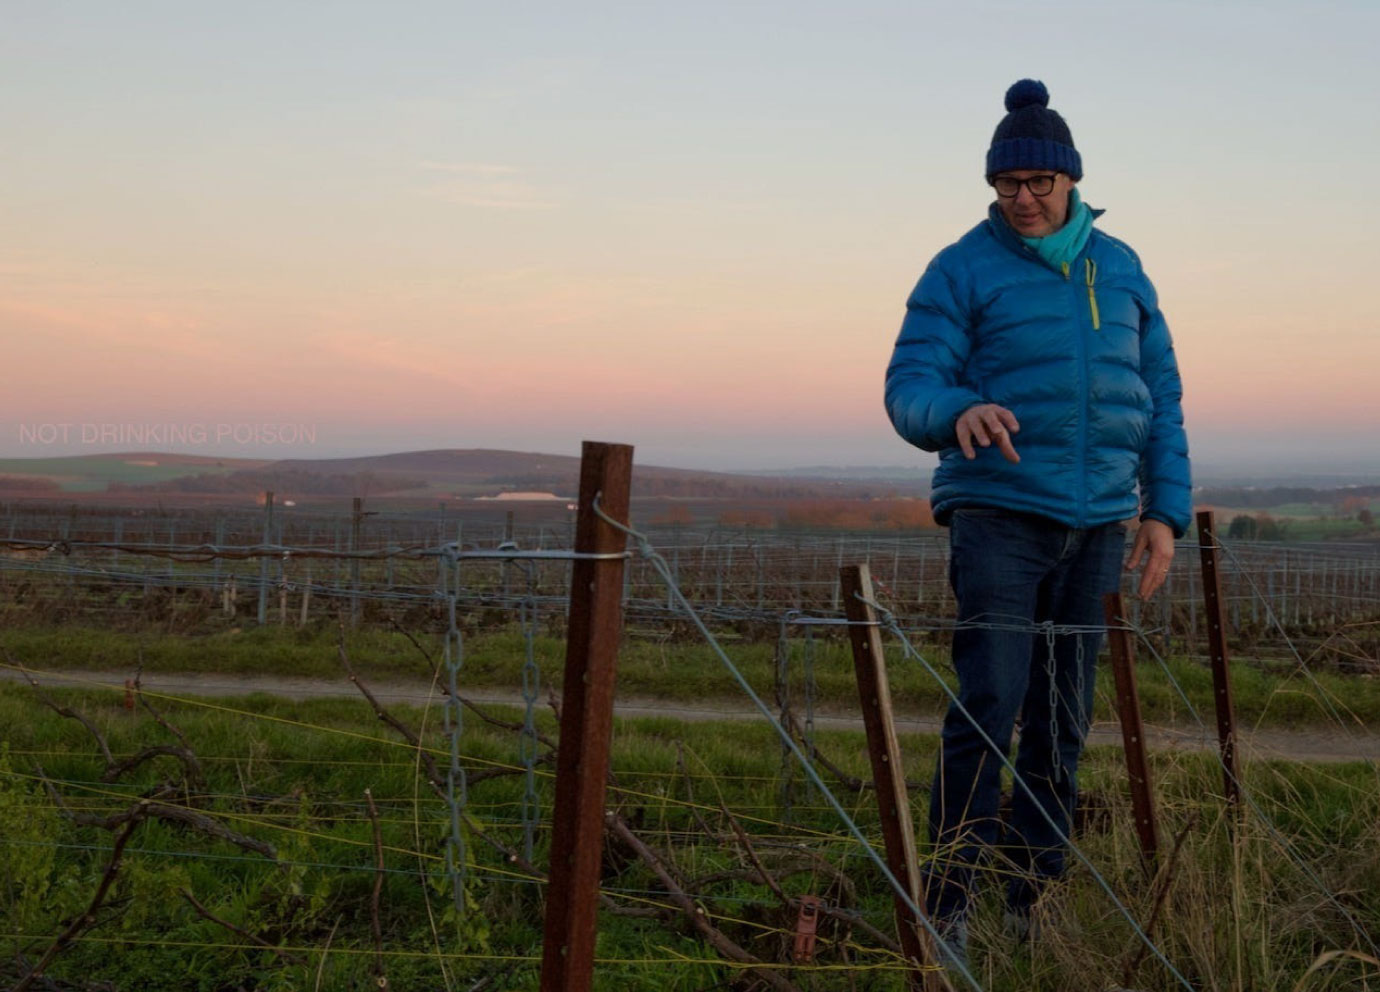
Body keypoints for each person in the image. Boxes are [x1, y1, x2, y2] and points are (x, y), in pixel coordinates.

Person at [883, 79, 1191, 965]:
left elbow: (1159, 398)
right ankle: (947, 901)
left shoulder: (1122, 267)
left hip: (1097, 525)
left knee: (1063, 715)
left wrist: (1163, 513)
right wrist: (956, 412)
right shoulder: (960, 267)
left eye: (1038, 184)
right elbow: (909, 384)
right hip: (1001, 517)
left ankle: (1035, 896)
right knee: (990, 701)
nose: (1023, 198)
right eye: (1007, 184)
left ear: (1071, 183)